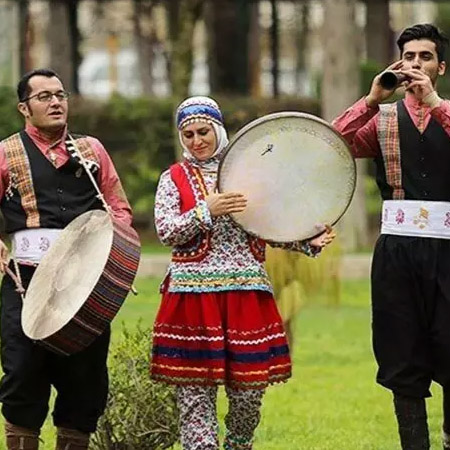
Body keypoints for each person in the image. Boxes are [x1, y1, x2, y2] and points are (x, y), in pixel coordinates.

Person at [150, 96, 336, 450]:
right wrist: (207, 209)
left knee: (249, 391)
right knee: (194, 396)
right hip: (191, 298)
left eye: (203, 131)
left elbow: (270, 226)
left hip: (245, 294)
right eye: (187, 135)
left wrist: (308, 240)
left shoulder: (248, 175)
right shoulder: (173, 178)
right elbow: (166, 231)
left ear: (218, 129)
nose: (196, 141)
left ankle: (239, 443)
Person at [0, 68, 132, 449]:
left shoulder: (92, 150)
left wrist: (114, 250)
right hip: (25, 281)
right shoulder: (6, 153)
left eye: (61, 94)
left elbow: (119, 209)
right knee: (22, 373)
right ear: (24, 108)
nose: (56, 102)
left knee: (85, 380)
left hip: (85, 283)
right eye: (44, 97)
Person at [333, 24, 450, 450]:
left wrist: (434, 103)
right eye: (409, 57)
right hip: (397, 250)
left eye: (425, 57)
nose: (416, 64)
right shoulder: (381, 120)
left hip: (448, 249)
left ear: (441, 66)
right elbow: (333, 142)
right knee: (402, 352)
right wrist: (369, 100)